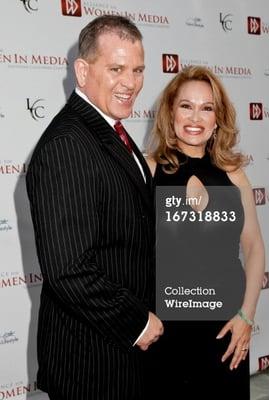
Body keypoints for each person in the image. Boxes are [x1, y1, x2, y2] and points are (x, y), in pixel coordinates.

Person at [26, 15, 163, 400]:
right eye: (116, 68)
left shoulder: (110, 130)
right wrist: (136, 322)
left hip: (123, 358)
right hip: (92, 363)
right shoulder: (68, 143)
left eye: (137, 70)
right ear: (82, 71)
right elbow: (68, 269)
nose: (131, 82)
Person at [146, 65, 265, 399]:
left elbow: (254, 247)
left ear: (217, 119)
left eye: (206, 107)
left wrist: (247, 315)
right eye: (186, 105)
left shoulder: (234, 175)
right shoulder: (148, 169)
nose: (195, 117)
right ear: (170, 112)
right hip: (164, 333)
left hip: (225, 330)